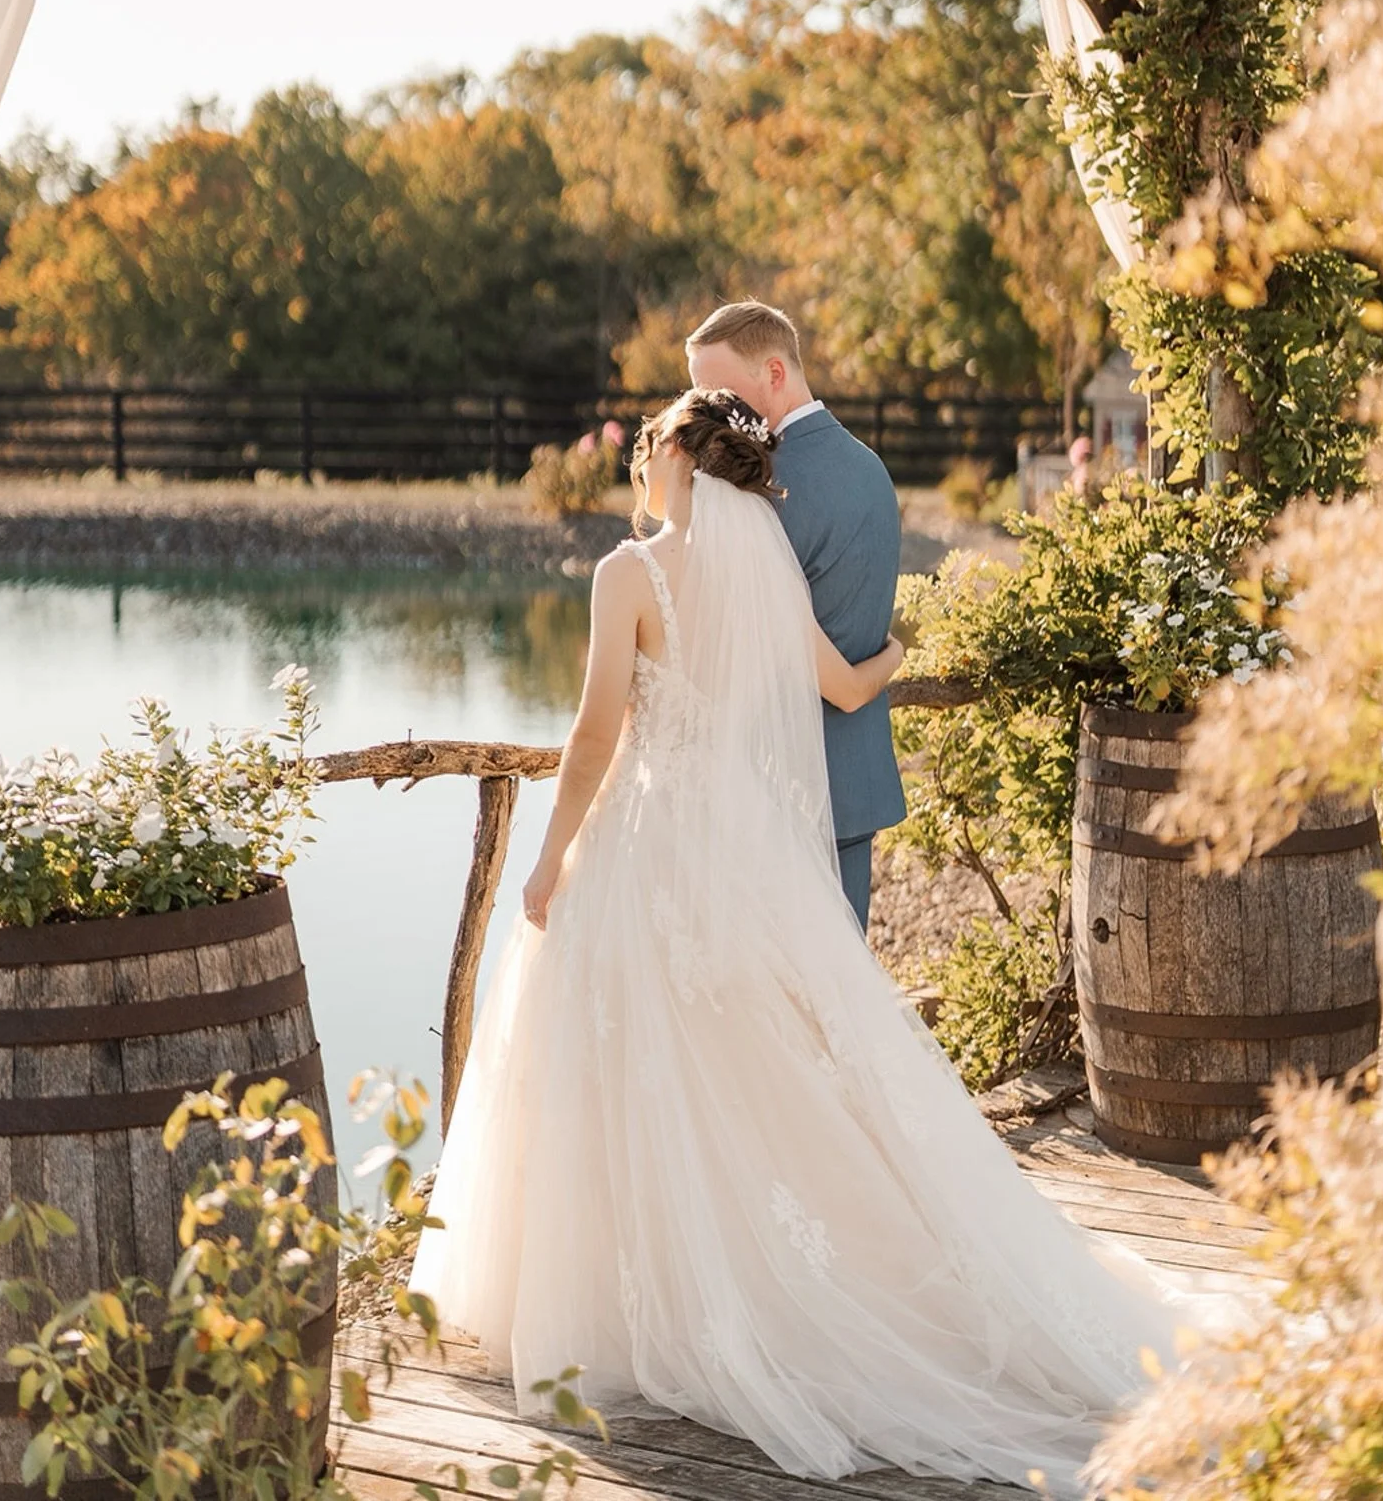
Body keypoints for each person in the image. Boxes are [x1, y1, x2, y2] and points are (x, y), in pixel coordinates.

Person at [411, 388, 1225, 1498]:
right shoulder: (764, 576)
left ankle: (645, 1290)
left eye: (650, 446)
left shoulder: (628, 574)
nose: (641, 464)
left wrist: (549, 859)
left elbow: (597, 732)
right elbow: (841, 684)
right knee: (761, 1068)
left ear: (680, 462)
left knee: (627, 1060)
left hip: (649, 844)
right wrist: (900, 650)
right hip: (742, 851)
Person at [685, 301, 904, 930]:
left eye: (717, 391)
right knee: (838, 1006)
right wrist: (895, 654)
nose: (703, 411)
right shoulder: (873, 471)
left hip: (774, 789)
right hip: (853, 786)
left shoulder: (754, 493)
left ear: (775, 373)